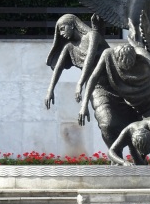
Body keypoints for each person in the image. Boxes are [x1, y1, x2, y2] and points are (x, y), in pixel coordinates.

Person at [45, 13, 141, 149]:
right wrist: (50, 90)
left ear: (72, 25)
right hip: (96, 89)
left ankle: (136, 154)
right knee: (106, 124)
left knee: (133, 118)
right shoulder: (69, 48)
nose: (61, 33)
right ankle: (115, 155)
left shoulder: (93, 36)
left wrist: (79, 83)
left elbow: (89, 62)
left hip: (116, 83)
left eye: (62, 28)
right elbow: (58, 67)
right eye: (59, 31)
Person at [78, 41, 150, 128]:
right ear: (117, 59)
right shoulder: (107, 54)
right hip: (128, 100)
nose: (128, 71)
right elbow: (93, 78)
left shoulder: (141, 53)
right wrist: (84, 105)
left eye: (131, 66)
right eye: (124, 68)